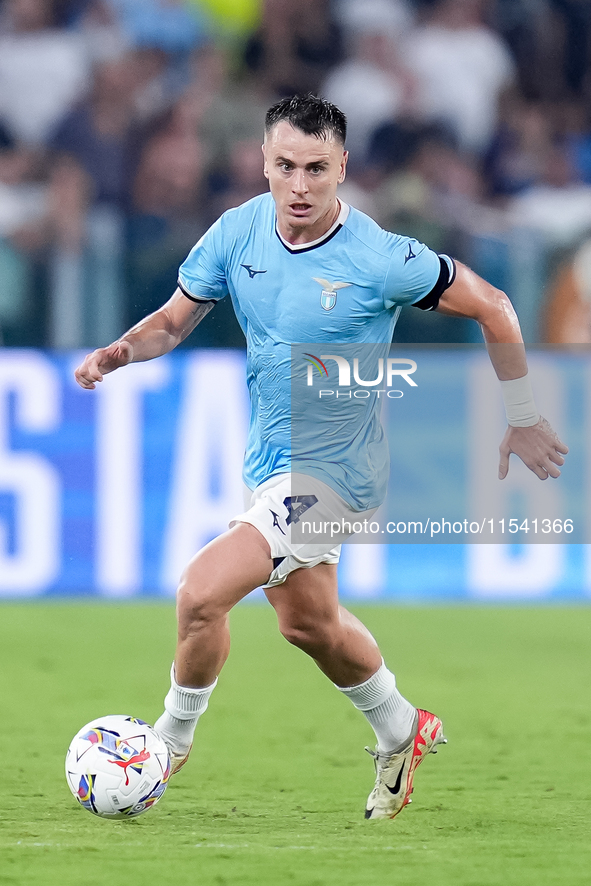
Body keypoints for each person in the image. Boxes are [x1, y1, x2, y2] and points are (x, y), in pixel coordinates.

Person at [74, 94, 568, 821]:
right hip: (270, 461)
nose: (298, 185)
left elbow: (495, 304)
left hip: (335, 475)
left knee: (201, 591)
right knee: (307, 624)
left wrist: (522, 418)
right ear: (263, 163)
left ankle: (166, 747)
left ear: (341, 166)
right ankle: (403, 728)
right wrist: (121, 351)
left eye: (314, 168)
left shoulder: (378, 257)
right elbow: (174, 322)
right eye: (283, 166)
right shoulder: (235, 231)